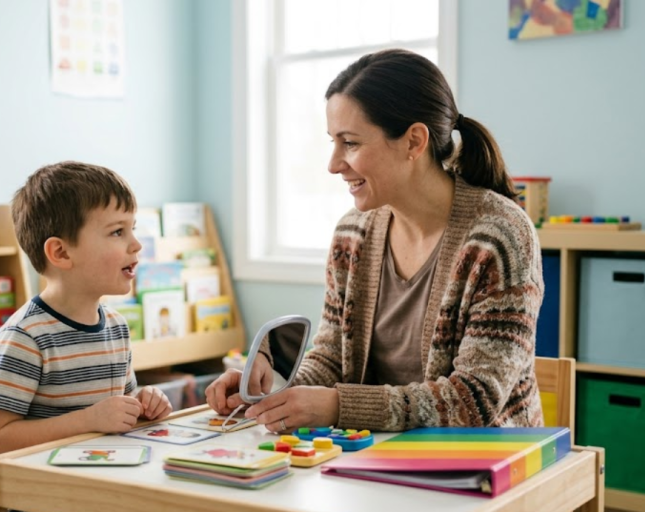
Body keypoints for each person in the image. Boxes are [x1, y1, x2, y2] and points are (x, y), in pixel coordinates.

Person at [207, 48, 544, 434]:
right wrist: (273, 392)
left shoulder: (498, 237)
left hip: (485, 460)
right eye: (333, 142)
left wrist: (338, 406)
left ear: (414, 142)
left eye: (349, 143)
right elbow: (333, 361)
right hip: (374, 454)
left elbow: (474, 400)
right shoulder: (352, 234)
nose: (333, 164)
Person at [0, 161, 172, 512]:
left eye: (133, 229)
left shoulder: (115, 326)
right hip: (43, 505)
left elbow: (120, 412)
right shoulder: (25, 337)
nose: (136, 244)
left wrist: (146, 405)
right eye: (118, 232)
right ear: (61, 253)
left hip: (104, 482)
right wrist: (87, 420)